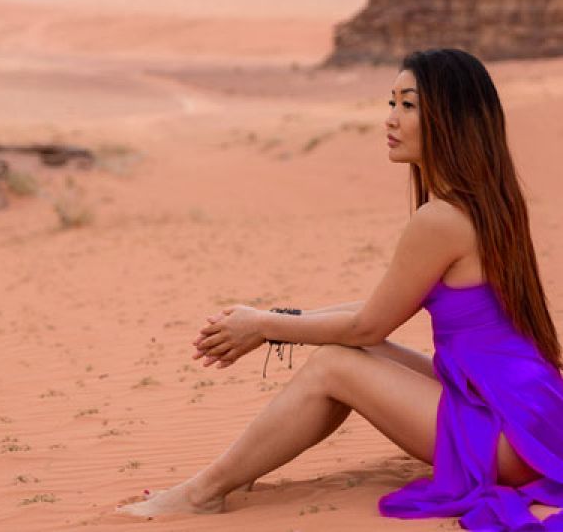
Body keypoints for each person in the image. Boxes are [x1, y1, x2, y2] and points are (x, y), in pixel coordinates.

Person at [119, 48, 563, 529]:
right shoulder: (485, 203)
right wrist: (280, 320)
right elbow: (379, 312)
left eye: (408, 105)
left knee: (335, 364)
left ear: (450, 116)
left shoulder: (441, 219)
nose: (390, 119)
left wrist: (265, 326)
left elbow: (367, 322)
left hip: (505, 435)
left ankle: (203, 492)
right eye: (390, 103)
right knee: (348, 347)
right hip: (530, 415)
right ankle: (242, 468)